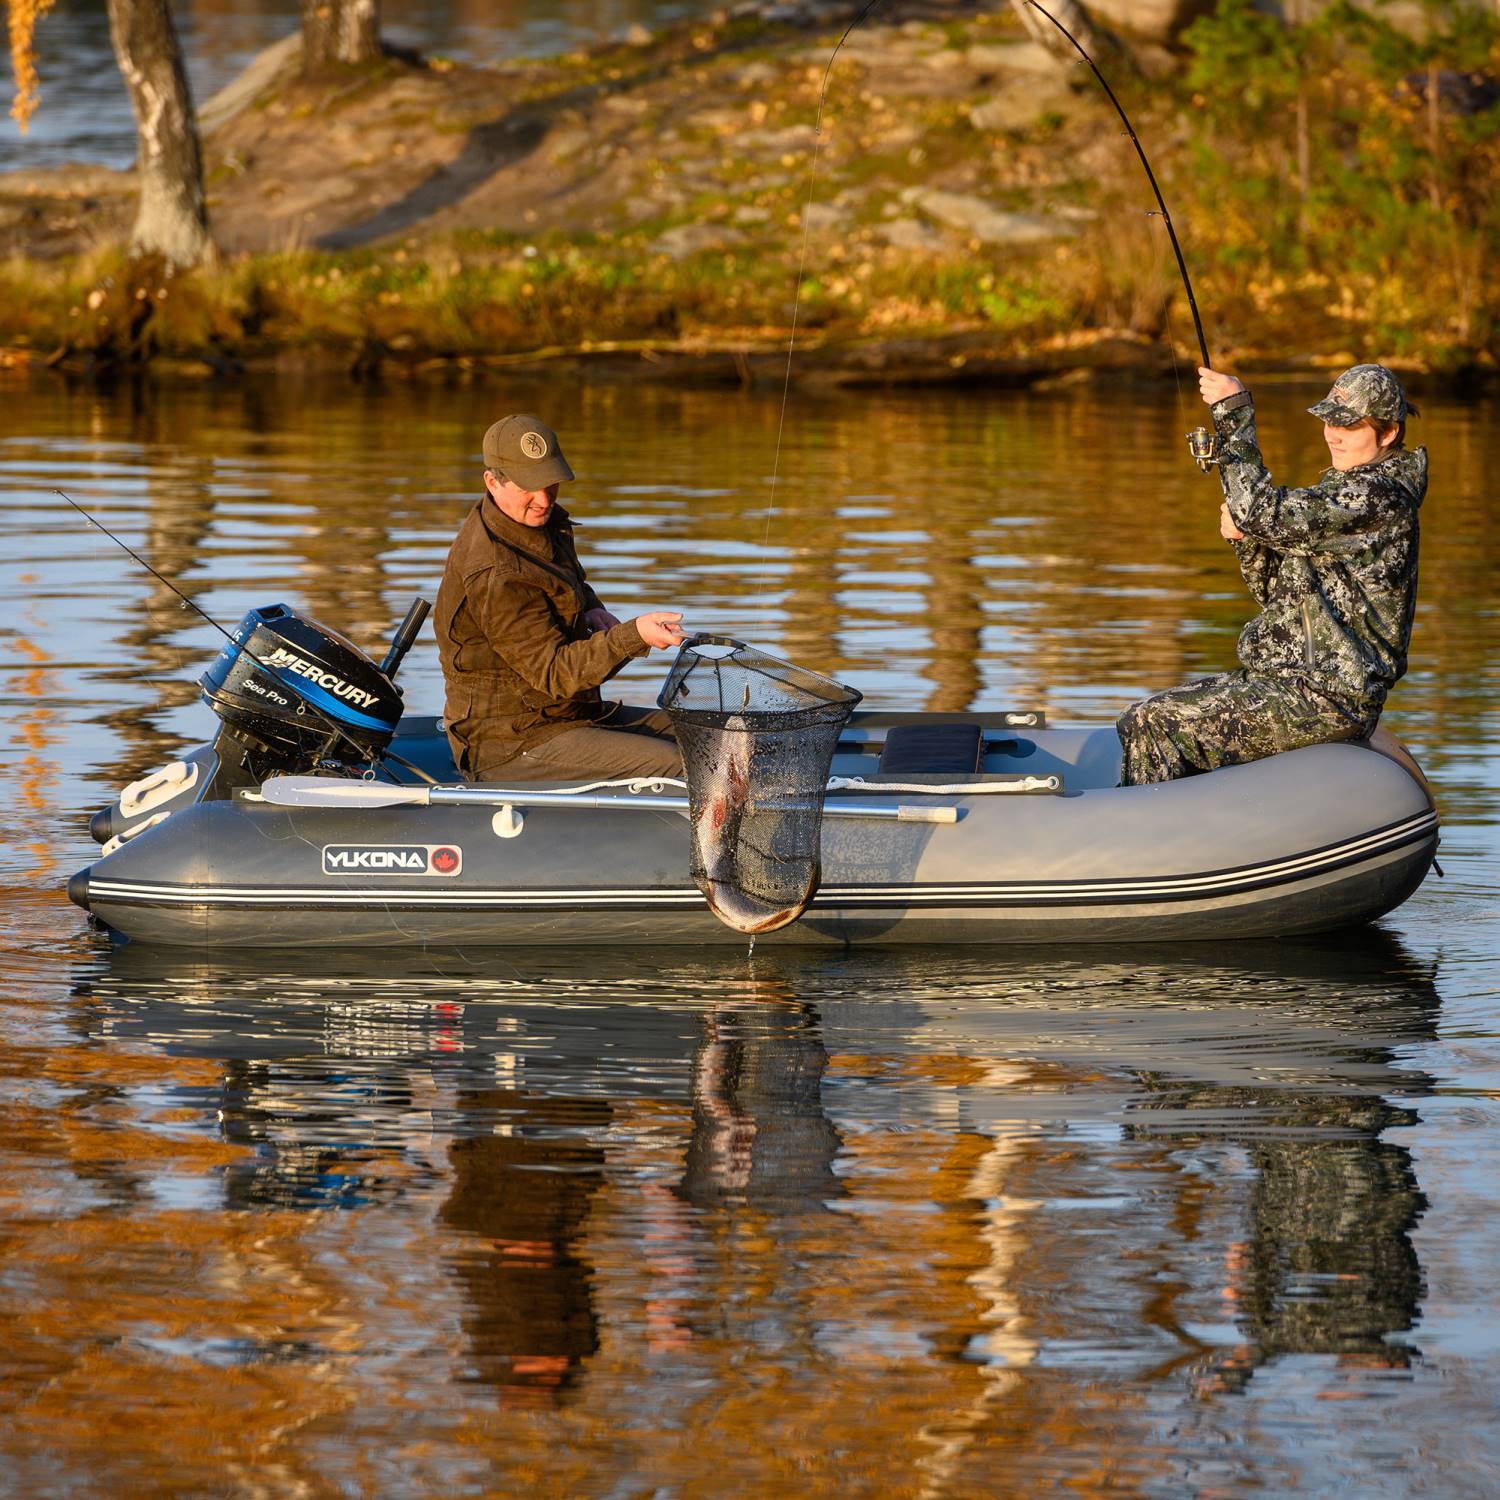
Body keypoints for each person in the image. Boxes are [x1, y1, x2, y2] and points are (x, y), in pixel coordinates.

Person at [1117, 363, 1427, 786]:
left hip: (1326, 700)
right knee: (1139, 718)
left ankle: (1145, 840)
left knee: (1155, 722)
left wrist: (1233, 410)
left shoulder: (1375, 499)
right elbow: (1276, 593)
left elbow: (1258, 508)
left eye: (1349, 426)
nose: (1332, 435)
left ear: (1388, 433)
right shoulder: (1339, 492)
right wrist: (1248, 542)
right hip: (1286, 683)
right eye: (1329, 422)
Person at [436, 413, 686, 782]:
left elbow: (566, 583)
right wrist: (634, 636)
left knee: (710, 738)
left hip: (564, 715)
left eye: (550, 483)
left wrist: (592, 608)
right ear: (492, 481)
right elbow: (555, 673)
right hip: (509, 742)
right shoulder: (496, 574)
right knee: (684, 764)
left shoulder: (532, 522)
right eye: (528, 487)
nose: (543, 499)